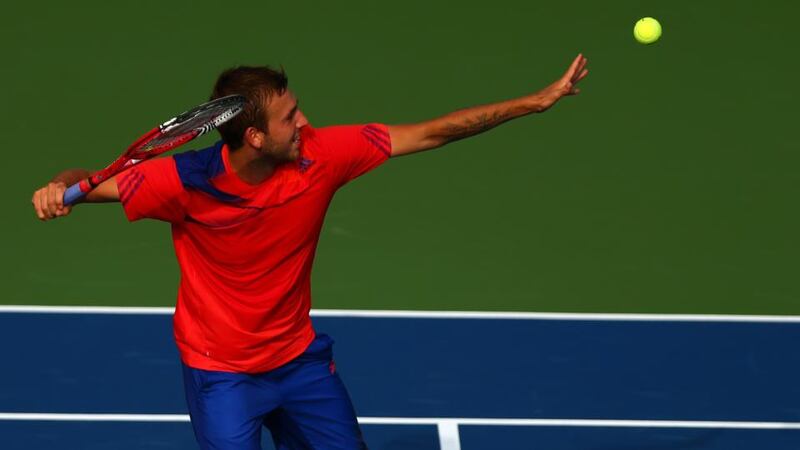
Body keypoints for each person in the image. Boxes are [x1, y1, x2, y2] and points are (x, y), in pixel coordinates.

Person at [31, 54, 589, 450]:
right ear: (253, 137)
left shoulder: (322, 156)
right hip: (221, 373)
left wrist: (534, 103)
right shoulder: (182, 182)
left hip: (299, 363)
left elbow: (431, 133)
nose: (304, 122)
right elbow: (92, 179)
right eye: (289, 117)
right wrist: (60, 186)